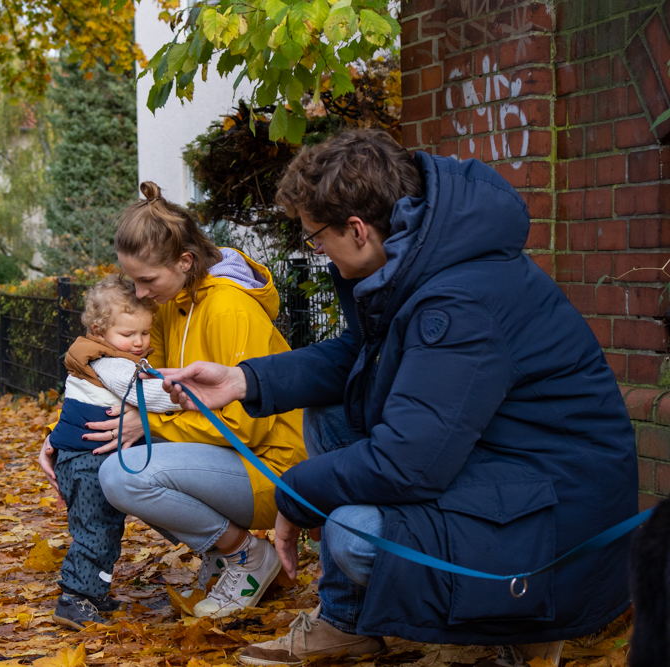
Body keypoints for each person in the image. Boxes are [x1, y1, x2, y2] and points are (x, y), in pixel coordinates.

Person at [159, 130, 638, 666]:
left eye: (316, 237)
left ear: (358, 230)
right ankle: (347, 623)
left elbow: (407, 464)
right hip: (508, 471)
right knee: (333, 414)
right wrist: (243, 381)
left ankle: (522, 625)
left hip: (558, 519)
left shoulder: (456, 304)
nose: (317, 251)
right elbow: (360, 356)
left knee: (353, 533)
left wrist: (294, 496)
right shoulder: (425, 263)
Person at [39, 182, 307, 619]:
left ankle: (246, 555)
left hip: (271, 466)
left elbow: (246, 425)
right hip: (222, 457)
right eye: (133, 281)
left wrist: (151, 426)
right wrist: (64, 437)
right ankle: (231, 554)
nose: (140, 293)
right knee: (110, 460)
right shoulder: (168, 306)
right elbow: (135, 389)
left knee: (125, 475)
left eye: (147, 280)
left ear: (185, 261)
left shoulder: (229, 310)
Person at [46, 275, 182, 630]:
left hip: (84, 458)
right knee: (95, 532)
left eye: (144, 333)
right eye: (128, 334)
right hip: (87, 463)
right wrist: (185, 396)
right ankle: (74, 599)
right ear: (99, 329)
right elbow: (146, 396)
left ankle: (94, 594)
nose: (138, 342)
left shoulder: (101, 354)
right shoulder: (111, 364)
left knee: (105, 529)